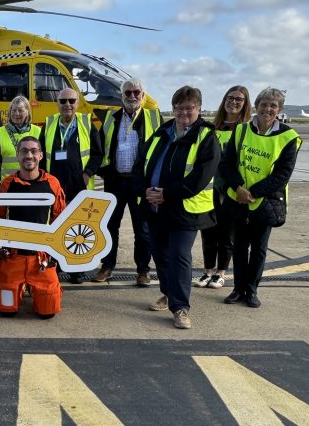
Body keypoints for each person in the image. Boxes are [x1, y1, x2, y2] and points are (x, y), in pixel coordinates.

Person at [132, 85, 220, 329]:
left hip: (185, 210)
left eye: (189, 108)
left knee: (179, 256)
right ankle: (169, 293)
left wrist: (167, 195)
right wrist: (143, 190)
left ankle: (181, 307)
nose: (183, 113)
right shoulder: (163, 131)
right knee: (160, 255)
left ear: (199, 109)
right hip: (155, 207)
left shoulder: (207, 137)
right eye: (179, 108)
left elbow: (200, 178)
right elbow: (141, 163)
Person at [219, 87, 301, 308]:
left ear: (279, 109)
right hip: (238, 198)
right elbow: (226, 164)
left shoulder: (288, 137)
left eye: (273, 105)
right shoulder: (241, 131)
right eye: (264, 104)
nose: (268, 109)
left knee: (259, 249)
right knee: (239, 247)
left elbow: (282, 175)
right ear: (257, 106)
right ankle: (237, 289)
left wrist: (253, 193)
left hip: (265, 201)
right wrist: (238, 188)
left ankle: (251, 290)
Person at [94, 78, 161, 286]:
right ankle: (107, 266)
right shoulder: (110, 118)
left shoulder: (153, 117)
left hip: (139, 183)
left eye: (136, 92)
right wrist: (104, 171)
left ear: (143, 95)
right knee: (110, 226)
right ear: (121, 96)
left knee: (142, 228)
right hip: (115, 181)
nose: (132, 96)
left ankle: (143, 270)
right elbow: (100, 147)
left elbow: (159, 150)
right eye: (127, 93)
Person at [0, 136, 67, 318]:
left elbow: (61, 220)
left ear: (41, 155)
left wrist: (55, 256)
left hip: (40, 258)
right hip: (14, 256)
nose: (29, 155)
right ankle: (20, 285)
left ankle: (32, 286)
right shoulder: (7, 184)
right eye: (24, 151)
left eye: (34, 151)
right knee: (5, 311)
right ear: (17, 155)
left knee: (47, 312)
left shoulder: (53, 184)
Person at [41, 87, 103, 282]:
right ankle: (57, 265)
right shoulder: (50, 123)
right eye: (63, 101)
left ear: (77, 103)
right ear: (57, 103)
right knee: (57, 225)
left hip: (80, 186)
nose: (67, 104)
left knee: (79, 228)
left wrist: (88, 174)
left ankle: (77, 269)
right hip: (55, 185)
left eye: (71, 101)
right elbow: (41, 155)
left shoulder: (86, 123)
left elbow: (97, 153)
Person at [196, 86, 251, 289]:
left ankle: (221, 273)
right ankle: (207, 271)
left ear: (245, 104)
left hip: (230, 190)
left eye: (239, 99)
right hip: (209, 189)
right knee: (208, 232)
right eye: (230, 98)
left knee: (227, 234)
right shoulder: (212, 128)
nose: (234, 102)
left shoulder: (245, 130)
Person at [0, 96, 41, 177]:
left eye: (20, 110)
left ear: (27, 112)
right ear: (9, 113)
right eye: (13, 110)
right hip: (8, 185)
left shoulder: (38, 132)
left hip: (32, 184)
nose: (17, 113)